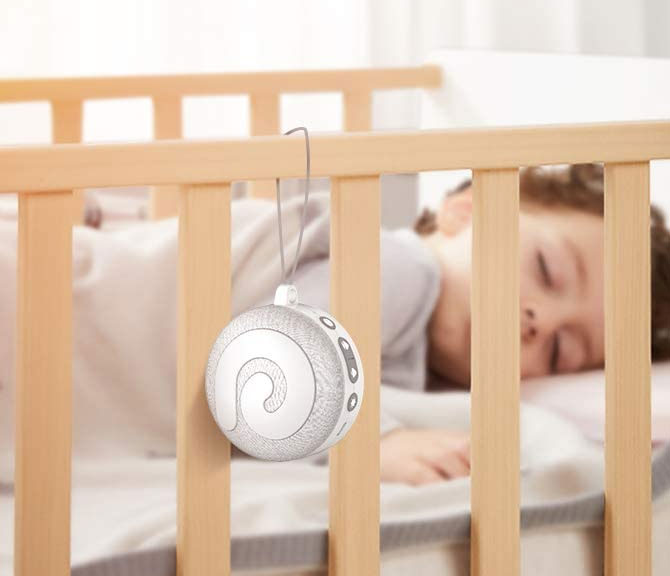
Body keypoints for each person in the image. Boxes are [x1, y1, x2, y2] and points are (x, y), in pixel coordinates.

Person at [235, 163, 670, 485]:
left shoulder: (426, 367)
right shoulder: (400, 268)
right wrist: (375, 442)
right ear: (464, 213)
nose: (542, 321)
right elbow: (278, 357)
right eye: (545, 269)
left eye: (560, 350)